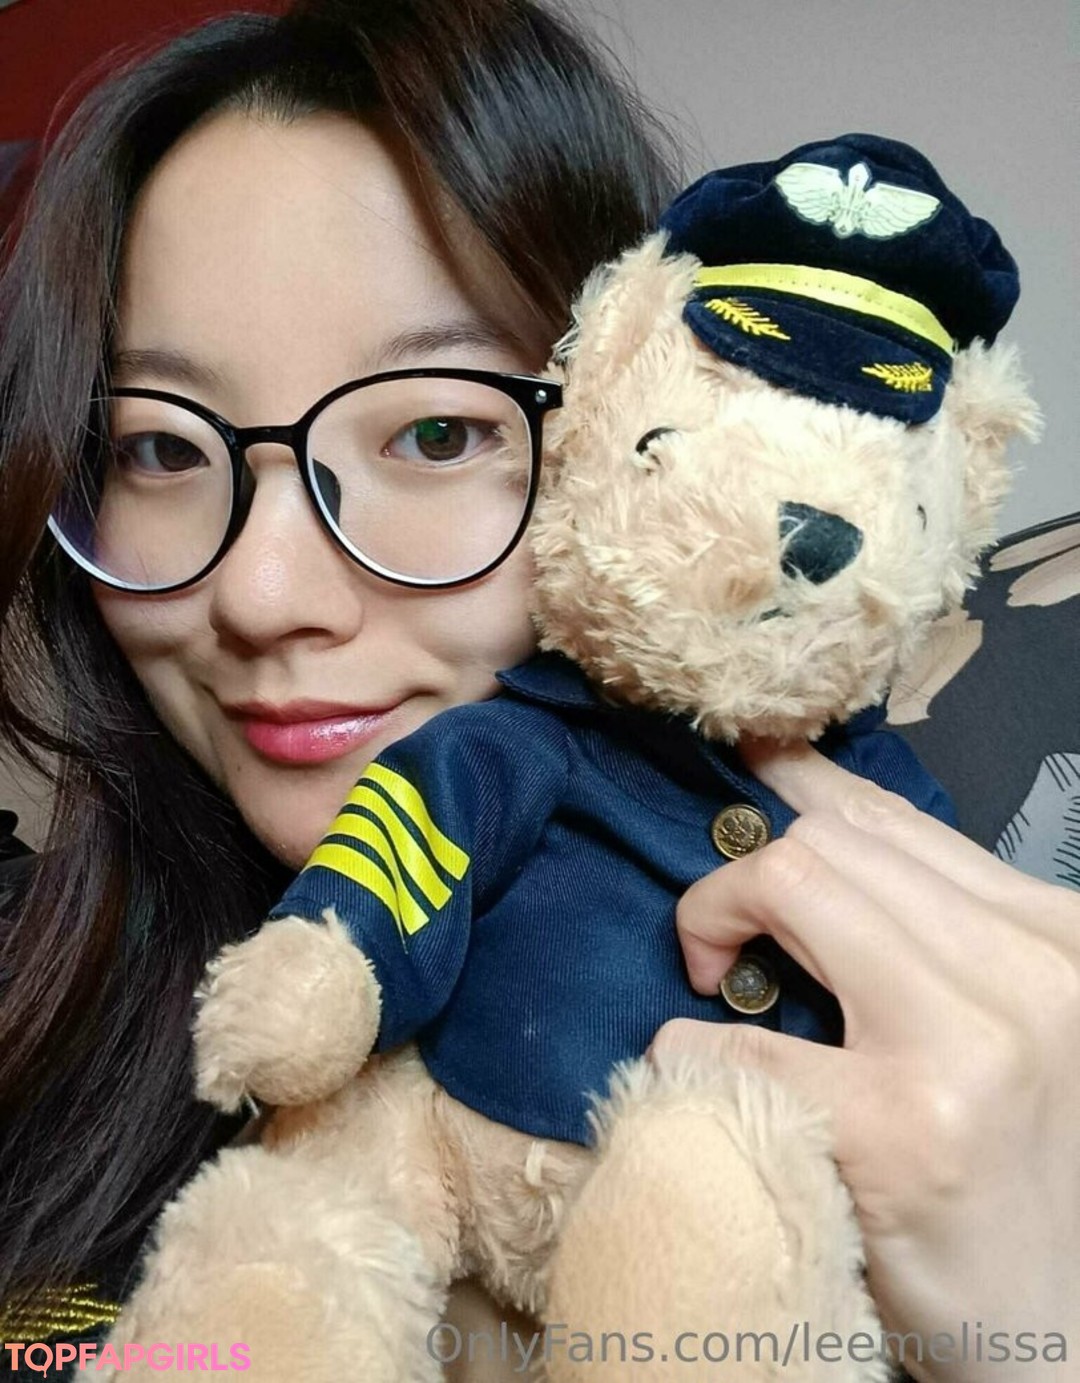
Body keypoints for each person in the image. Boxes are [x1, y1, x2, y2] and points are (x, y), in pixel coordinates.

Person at [0, 1, 1074, 1379]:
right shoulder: (32, 1014)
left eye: (438, 431)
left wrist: (1038, 1331)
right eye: (156, 450)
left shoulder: (970, 1031)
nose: (261, 596)